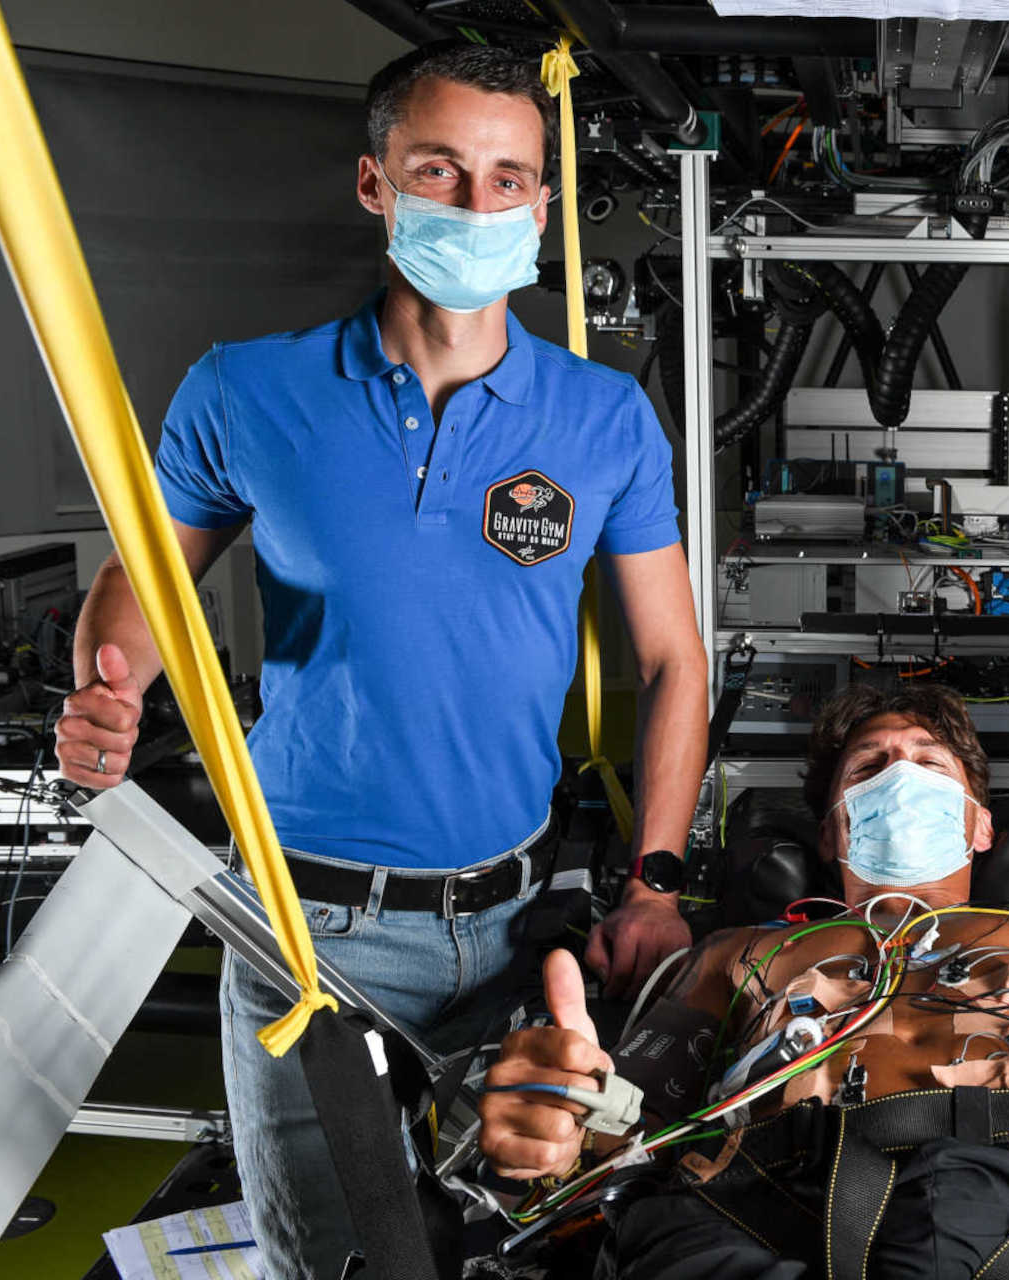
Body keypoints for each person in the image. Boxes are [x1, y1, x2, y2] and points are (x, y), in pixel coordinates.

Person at [51, 41, 709, 1280]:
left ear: (543, 208)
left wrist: (656, 880)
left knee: (529, 1234)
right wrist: (109, 678)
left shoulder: (605, 416)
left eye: (509, 179)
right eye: (441, 170)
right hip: (309, 927)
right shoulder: (246, 390)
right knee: (345, 1260)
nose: (477, 204)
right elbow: (142, 577)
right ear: (375, 183)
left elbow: (675, 661)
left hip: (518, 918)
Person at [479, 683, 1009, 1279]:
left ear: (982, 826)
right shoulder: (741, 952)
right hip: (766, 1199)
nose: (899, 776)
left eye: (927, 762)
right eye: (869, 768)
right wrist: (555, 1123)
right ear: (835, 833)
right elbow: (624, 1126)